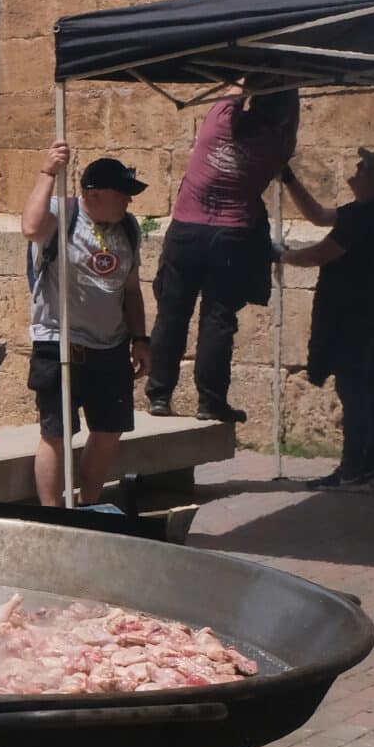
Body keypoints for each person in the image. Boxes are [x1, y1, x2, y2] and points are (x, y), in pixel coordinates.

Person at [148, 84, 298, 423]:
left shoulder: (218, 121)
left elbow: (234, 89)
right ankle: (211, 402)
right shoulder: (278, 145)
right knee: (218, 318)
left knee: (172, 313)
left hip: (186, 229)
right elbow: (290, 125)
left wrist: (250, 74)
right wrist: (290, 87)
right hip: (232, 234)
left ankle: (159, 395)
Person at [21, 144, 152, 508]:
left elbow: (131, 289)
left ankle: (88, 503)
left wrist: (140, 338)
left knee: (110, 430)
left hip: (110, 347)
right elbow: (30, 228)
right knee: (57, 433)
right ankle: (52, 514)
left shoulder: (128, 228)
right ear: (94, 193)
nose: (129, 199)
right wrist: (47, 172)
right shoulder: (61, 215)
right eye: (122, 192)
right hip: (61, 344)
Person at [281, 149, 374, 491]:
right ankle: (371, 467)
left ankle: (353, 468)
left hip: (354, 316)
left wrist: (282, 256)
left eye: (364, 167)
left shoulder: (369, 215)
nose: (356, 170)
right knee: (373, 387)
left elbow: (323, 252)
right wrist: (289, 179)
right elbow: (320, 216)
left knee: (355, 392)